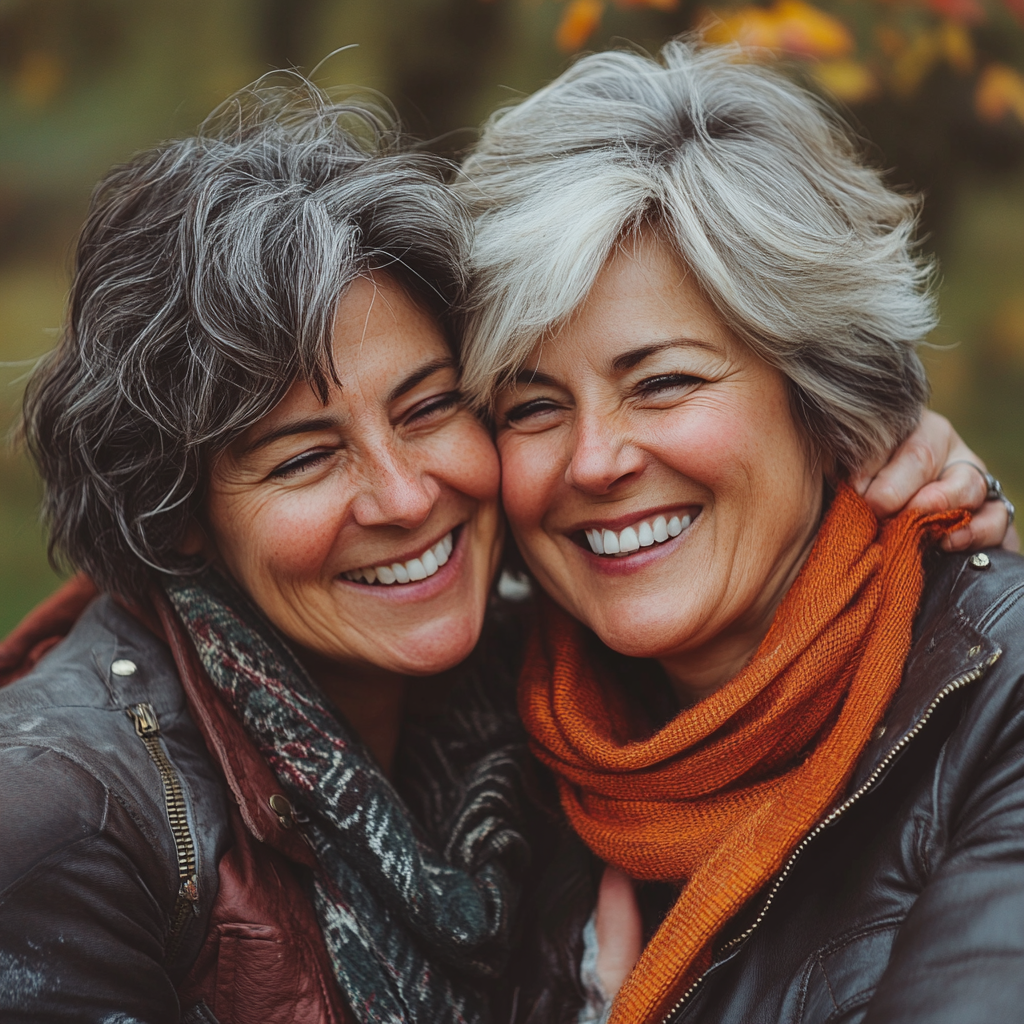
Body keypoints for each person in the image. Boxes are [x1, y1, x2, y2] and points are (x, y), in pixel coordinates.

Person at [0, 71, 1008, 1024]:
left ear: (815, 394)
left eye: (432, 406)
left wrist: (893, 464)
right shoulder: (76, 826)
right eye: (306, 457)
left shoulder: (552, 684)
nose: (406, 496)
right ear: (177, 512)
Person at [457, 38, 1024, 1024]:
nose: (594, 461)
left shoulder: (997, 706)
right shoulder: (483, 728)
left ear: (820, 397)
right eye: (532, 406)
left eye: (663, 382)